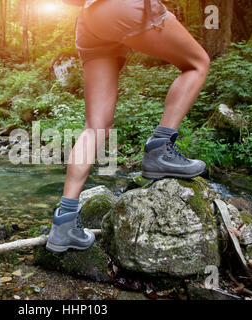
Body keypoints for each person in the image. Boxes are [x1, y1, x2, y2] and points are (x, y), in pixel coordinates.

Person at [45, 0, 210, 253]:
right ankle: (160, 149)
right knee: (197, 63)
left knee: (95, 127)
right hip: (123, 7)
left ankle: (64, 223)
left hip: (90, 20)